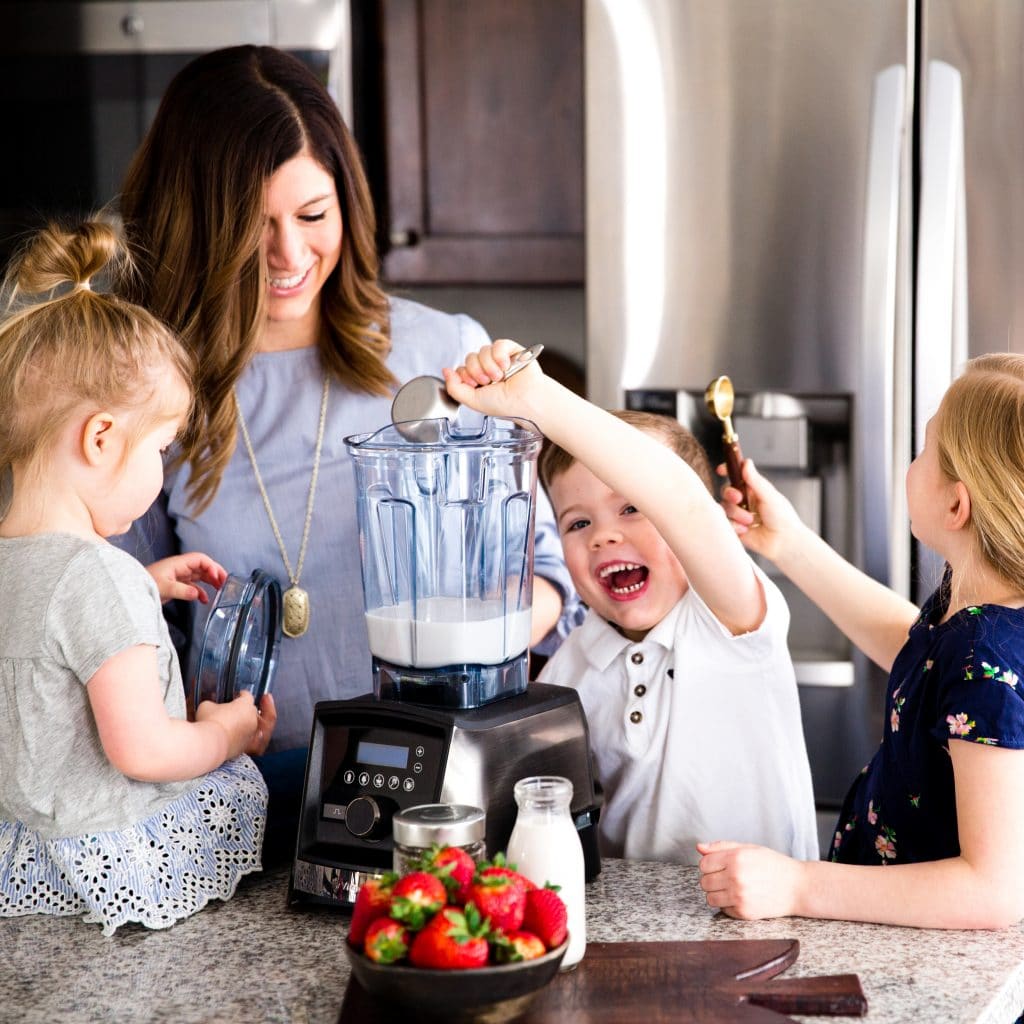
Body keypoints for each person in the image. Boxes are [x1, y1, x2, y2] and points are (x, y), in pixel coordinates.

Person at [112, 46, 575, 855]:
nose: (291, 256)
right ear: (195, 223)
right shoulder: (148, 391)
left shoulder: (443, 354)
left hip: (442, 789)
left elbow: (550, 584)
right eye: (253, 228)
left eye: (313, 216)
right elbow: (117, 615)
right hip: (231, 806)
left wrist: (464, 640)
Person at [0, 220, 276, 936]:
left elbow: (49, 637)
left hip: (39, 864)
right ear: (100, 438)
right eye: (160, 447)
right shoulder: (97, 577)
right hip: (125, 865)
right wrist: (224, 732)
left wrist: (143, 585)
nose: (161, 475)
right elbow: (145, 751)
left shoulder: (21, 566)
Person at [444, 340, 820, 864]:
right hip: (634, 923)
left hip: (765, 917)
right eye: (578, 522)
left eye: (633, 508)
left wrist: (535, 397)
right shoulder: (570, 669)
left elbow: (683, 504)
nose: (602, 536)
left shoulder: (730, 622)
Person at [693, 353, 1024, 929]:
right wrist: (791, 543)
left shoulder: (986, 656)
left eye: (925, 449)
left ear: (957, 504)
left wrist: (797, 885)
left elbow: (994, 889)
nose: (910, 464)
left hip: (931, 974)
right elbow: (916, 654)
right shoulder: (976, 615)